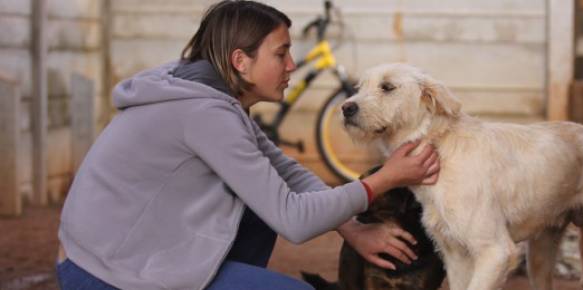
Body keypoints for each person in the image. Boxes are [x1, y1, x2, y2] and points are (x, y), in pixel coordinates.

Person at [56, 1, 440, 289]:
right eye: (280, 53)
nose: (291, 65)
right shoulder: (205, 113)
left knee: (258, 210)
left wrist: (351, 228)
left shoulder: (203, 92)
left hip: (118, 251)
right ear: (240, 60)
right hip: (102, 273)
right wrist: (382, 181)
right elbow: (294, 219)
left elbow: (283, 170)